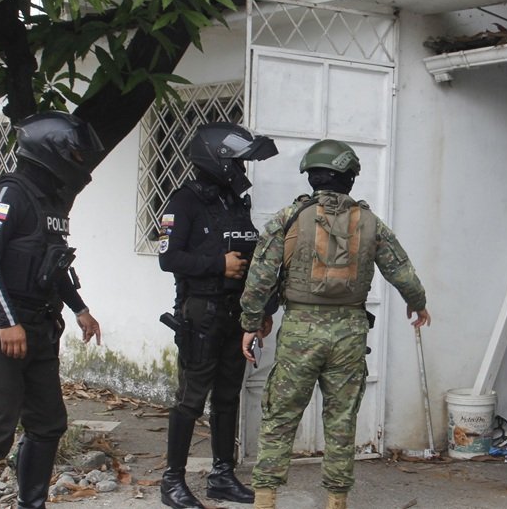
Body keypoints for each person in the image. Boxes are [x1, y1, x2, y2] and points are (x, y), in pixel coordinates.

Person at [238, 139, 432, 509]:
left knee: (281, 414)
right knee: (342, 419)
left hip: (300, 333)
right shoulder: (371, 222)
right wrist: (417, 304)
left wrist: (251, 321)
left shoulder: (289, 218)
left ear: (311, 177)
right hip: (349, 334)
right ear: (350, 177)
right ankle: (336, 500)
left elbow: (260, 277)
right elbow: (401, 270)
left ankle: (265, 497)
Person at [0, 111, 105, 509]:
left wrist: (80, 308)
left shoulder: (50, 200)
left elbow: (53, 263)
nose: (78, 161)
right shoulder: (9, 193)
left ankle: (30, 504)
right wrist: (7, 320)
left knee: (49, 424)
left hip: (38, 326)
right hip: (3, 329)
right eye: (73, 153)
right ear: (50, 151)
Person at [157, 122, 279, 508]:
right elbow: (168, 257)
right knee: (191, 399)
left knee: (228, 397)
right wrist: (216, 264)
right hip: (201, 312)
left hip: (236, 313)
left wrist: (260, 309)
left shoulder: (234, 203)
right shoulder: (184, 201)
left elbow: (253, 259)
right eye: (238, 161)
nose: (243, 169)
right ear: (217, 160)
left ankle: (222, 475)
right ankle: (172, 481)